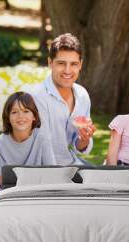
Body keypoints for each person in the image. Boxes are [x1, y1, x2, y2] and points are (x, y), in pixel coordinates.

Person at [27, 33, 96, 165]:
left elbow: (79, 147)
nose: (67, 70)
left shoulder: (82, 95)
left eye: (74, 64)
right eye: (61, 63)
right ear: (50, 63)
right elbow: (40, 148)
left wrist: (84, 139)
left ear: (80, 65)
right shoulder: (36, 97)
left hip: (69, 163)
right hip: (39, 168)